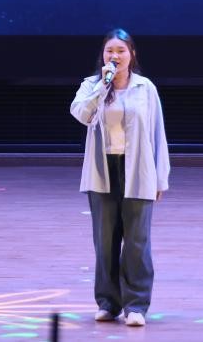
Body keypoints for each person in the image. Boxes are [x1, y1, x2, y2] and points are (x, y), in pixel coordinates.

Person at [70, 29, 170, 328]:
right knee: (105, 241)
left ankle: (136, 305)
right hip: (103, 170)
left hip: (138, 169)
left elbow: (157, 134)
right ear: (103, 55)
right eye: (109, 51)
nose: (115, 56)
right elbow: (81, 114)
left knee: (137, 241)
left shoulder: (145, 88)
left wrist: (160, 178)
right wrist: (102, 86)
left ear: (132, 54)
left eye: (121, 51)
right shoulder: (91, 86)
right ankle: (108, 303)